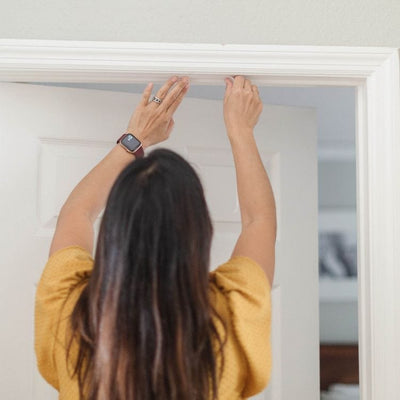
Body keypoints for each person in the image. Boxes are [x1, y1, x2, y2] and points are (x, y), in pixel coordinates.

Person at [35, 75, 276, 400]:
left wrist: (134, 139)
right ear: (199, 230)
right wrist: (240, 130)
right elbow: (258, 221)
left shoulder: (73, 310)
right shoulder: (231, 310)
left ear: (115, 228)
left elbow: (77, 214)